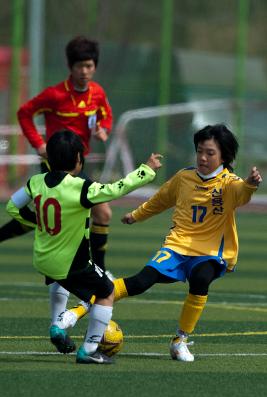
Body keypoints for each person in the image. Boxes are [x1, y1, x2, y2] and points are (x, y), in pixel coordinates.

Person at [62, 124, 262, 362]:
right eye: (200, 151)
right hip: (177, 246)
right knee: (140, 281)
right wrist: (136, 215)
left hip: (208, 251)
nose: (203, 157)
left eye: (210, 153)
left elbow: (242, 193)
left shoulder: (229, 183)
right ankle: (80, 309)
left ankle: (179, 340)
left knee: (201, 279)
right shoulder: (184, 177)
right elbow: (160, 200)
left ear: (224, 156)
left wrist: (250, 183)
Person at [6, 129, 162, 364]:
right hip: (71, 263)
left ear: (49, 158)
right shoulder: (81, 187)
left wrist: (37, 222)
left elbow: (12, 207)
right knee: (107, 291)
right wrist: (146, 170)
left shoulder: (35, 182)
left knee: (59, 280)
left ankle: (58, 325)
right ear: (79, 159)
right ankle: (88, 350)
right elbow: (116, 188)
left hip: (43, 260)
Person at [0, 36, 114, 351]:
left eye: (89, 66)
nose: (85, 71)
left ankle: (94, 268)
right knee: (51, 228)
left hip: (77, 168)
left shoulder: (97, 93)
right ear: (70, 67)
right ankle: (68, 305)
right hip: (55, 169)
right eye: (80, 66)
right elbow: (25, 113)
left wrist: (104, 128)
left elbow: (105, 114)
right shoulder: (54, 94)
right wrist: (38, 144)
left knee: (99, 213)